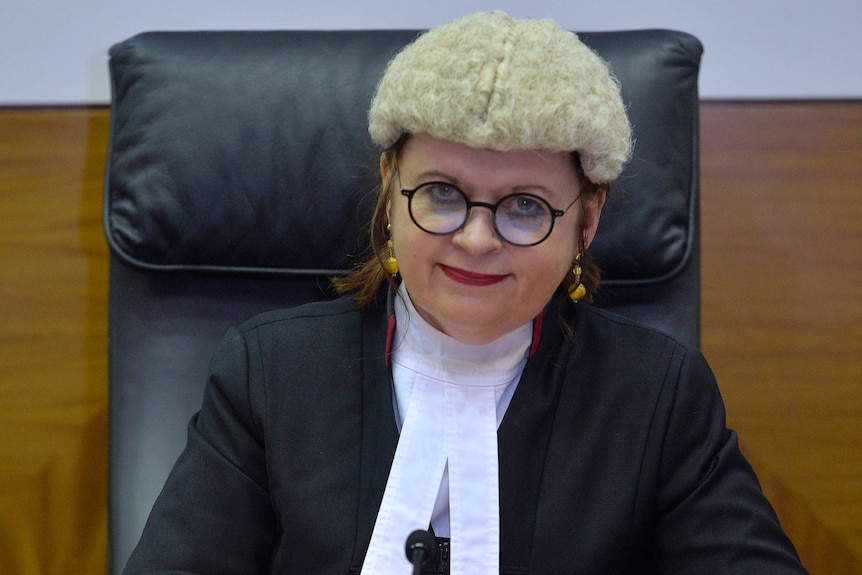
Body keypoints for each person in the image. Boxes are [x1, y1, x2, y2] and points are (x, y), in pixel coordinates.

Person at [123, 11, 807, 575]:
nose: (477, 239)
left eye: (525, 206)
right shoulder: (268, 375)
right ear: (392, 188)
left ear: (587, 221)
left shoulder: (658, 395)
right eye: (443, 194)